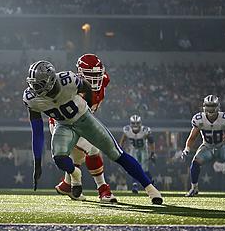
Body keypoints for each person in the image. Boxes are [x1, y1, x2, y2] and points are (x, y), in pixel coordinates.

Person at [24, 60, 163, 205]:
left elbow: (87, 88)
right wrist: (38, 162)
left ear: (51, 81)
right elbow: (37, 131)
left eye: (38, 85)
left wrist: (88, 108)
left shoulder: (68, 80)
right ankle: (75, 174)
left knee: (116, 153)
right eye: (33, 84)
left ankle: (151, 189)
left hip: (84, 120)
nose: (34, 88)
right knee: (59, 158)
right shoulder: (31, 99)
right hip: (63, 125)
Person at [50, 54, 117, 203]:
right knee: (93, 149)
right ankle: (103, 189)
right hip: (63, 124)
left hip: (80, 122)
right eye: (90, 75)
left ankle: (67, 185)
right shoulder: (71, 87)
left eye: (97, 75)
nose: (94, 79)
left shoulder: (104, 81)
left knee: (78, 156)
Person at [179, 95, 225, 196]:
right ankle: (194, 188)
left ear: (217, 106)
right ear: (204, 106)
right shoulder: (199, 119)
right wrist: (187, 149)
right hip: (207, 146)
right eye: (208, 105)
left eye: (212, 106)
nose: (210, 108)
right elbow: (192, 137)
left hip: (222, 146)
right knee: (195, 163)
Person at [120, 115, 154, 194]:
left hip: (143, 149)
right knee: (133, 167)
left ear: (140, 123)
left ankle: (151, 183)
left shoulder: (145, 130)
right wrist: (120, 149)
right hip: (133, 149)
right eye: (133, 123)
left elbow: (151, 142)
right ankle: (135, 185)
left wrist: (152, 152)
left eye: (137, 123)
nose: (135, 125)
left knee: (144, 169)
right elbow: (123, 140)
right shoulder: (127, 130)